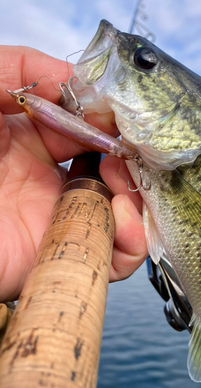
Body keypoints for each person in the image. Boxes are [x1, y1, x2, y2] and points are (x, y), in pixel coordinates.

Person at [0, 46, 148, 305]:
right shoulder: (31, 106)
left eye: (22, 99)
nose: (21, 98)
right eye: (21, 99)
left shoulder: (34, 106)